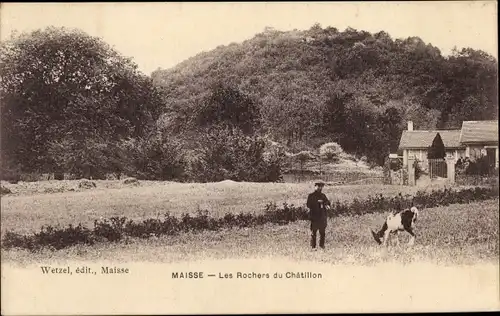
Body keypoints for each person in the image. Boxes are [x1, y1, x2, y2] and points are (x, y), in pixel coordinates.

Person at [306, 180, 331, 250]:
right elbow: (308, 205)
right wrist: (316, 203)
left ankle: (321, 245)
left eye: (321, 187)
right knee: (314, 232)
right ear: (315, 186)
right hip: (314, 216)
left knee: (322, 232)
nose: (320, 188)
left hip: (322, 216)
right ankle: (313, 246)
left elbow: (327, 202)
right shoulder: (311, 196)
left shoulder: (323, 196)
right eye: (318, 186)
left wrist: (327, 205)